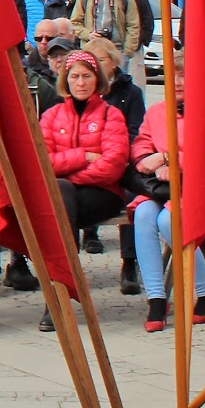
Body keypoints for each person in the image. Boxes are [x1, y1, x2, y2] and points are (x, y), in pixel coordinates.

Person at [37, 52, 128, 331]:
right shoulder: (51, 115)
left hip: (101, 194)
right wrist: (83, 156)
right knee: (62, 196)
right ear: (65, 80)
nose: (80, 82)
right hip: (65, 197)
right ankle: (61, 293)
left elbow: (112, 166)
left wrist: (67, 173)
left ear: (97, 79)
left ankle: (57, 299)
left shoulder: (111, 115)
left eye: (87, 76)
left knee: (61, 194)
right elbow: (41, 163)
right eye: (75, 76)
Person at [128, 96, 205, 331]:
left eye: (183, 77)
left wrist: (170, 159)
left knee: (168, 220)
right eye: (175, 77)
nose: (178, 81)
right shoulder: (157, 111)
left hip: (197, 189)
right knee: (143, 214)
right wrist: (150, 163)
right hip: (162, 187)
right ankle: (156, 299)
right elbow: (141, 144)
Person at [85, 35, 146, 279]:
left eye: (100, 60)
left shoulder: (130, 93)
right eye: (91, 61)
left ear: (113, 62)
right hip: (89, 162)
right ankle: (85, 239)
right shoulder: (83, 91)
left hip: (120, 162)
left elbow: (136, 132)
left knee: (132, 195)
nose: (96, 66)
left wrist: (110, 152)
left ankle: (129, 263)